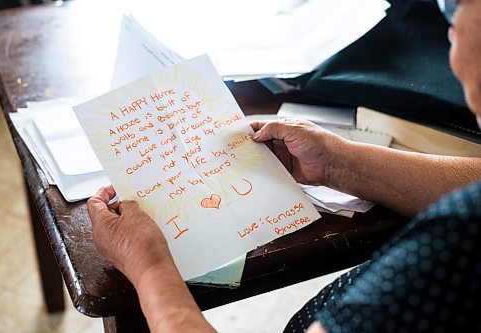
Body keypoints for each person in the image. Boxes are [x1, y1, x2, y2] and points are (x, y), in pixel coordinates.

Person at [87, 0, 481, 331]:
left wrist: (152, 269)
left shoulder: (452, 248)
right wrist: (339, 163)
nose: (448, 20)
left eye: (459, 4)